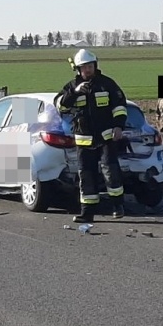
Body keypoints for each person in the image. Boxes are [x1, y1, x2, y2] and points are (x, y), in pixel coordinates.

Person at [55, 49, 129, 221]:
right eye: (84, 67)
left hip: (106, 137)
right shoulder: (72, 87)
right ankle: (87, 213)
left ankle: (118, 206)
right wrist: (75, 93)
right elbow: (60, 106)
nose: (88, 70)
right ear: (78, 69)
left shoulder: (107, 84)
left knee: (110, 172)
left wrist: (118, 126)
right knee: (86, 176)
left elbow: (120, 106)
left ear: (95, 65)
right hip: (84, 139)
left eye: (90, 66)